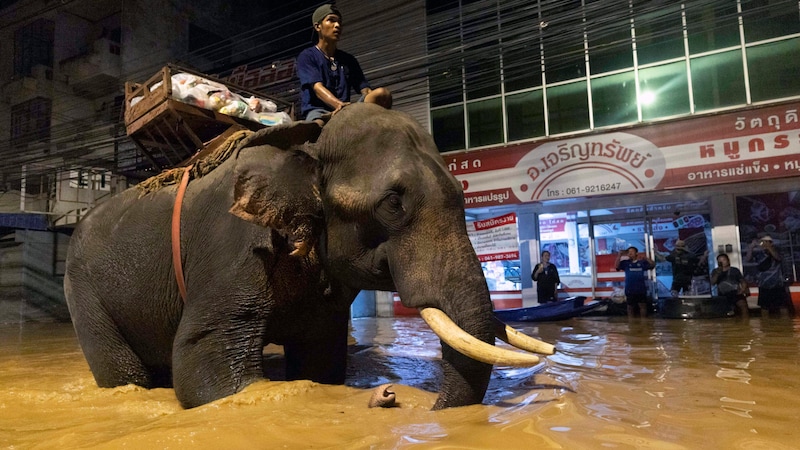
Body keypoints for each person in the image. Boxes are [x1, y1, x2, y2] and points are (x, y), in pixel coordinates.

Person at [296, 4, 392, 124]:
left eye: (339, 22)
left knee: (382, 94)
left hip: (347, 108)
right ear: (318, 26)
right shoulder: (307, 56)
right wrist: (339, 105)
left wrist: (373, 101)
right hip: (319, 111)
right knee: (315, 127)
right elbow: (318, 89)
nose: (337, 25)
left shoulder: (348, 59)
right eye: (331, 20)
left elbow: (365, 89)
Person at [746, 235, 794, 316]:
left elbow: (778, 258)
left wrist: (769, 247)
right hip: (763, 283)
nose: (763, 243)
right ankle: (765, 326)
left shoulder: (777, 250)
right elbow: (747, 259)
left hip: (777, 283)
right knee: (764, 307)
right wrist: (751, 247)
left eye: (766, 241)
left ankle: (786, 325)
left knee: (782, 306)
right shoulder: (758, 253)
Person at [615, 246, 655, 318]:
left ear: (636, 253)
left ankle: (644, 323)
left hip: (641, 288)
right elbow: (616, 266)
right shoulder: (625, 263)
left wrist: (646, 258)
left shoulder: (642, 262)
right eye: (628, 252)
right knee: (630, 307)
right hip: (630, 289)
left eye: (632, 252)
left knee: (642, 306)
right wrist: (619, 255)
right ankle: (631, 324)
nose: (630, 253)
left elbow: (652, 265)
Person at [710, 253, 749, 317]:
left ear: (728, 261)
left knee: (743, 306)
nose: (722, 262)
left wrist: (743, 289)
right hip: (723, 294)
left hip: (735, 292)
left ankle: (745, 322)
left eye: (724, 260)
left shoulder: (734, 270)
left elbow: (742, 281)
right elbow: (712, 283)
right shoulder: (715, 271)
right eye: (720, 261)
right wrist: (717, 273)